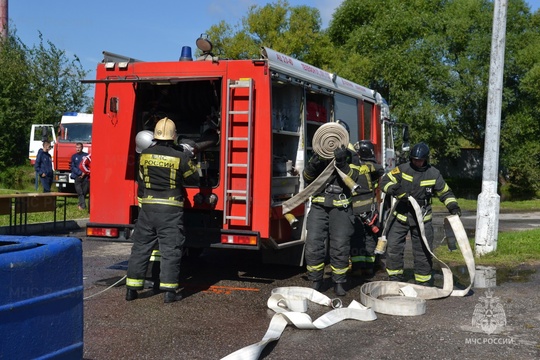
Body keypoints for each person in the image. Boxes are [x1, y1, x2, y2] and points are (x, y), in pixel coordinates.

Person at [126, 118, 199, 303]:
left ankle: (132, 290)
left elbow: (141, 181)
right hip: (170, 210)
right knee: (170, 250)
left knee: (141, 248)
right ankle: (169, 292)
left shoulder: (144, 155)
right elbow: (193, 179)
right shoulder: (180, 156)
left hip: (148, 208)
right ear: (173, 136)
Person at [380, 142, 461, 286]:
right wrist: (395, 190)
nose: (417, 162)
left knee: (423, 252)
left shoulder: (433, 173)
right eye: (414, 159)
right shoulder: (402, 169)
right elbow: (385, 182)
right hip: (401, 216)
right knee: (393, 248)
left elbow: (445, 192)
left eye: (420, 160)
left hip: (422, 219)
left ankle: (423, 281)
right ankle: (395, 278)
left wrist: (453, 206)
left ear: (426, 159)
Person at [303, 120, 361, 296]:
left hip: (341, 209)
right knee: (313, 244)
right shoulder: (319, 153)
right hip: (319, 207)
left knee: (340, 245)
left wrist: (342, 162)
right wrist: (314, 162)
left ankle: (339, 282)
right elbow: (307, 178)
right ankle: (316, 280)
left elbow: (354, 178)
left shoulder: (352, 156)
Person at [350, 140, 385, 277]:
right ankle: (369, 268)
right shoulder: (373, 168)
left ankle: (357, 268)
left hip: (355, 211)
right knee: (370, 239)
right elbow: (380, 169)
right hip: (370, 212)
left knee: (357, 240)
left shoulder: (353, 167)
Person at [70, 143, 89, 210]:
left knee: (84, 192)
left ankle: (80, 204)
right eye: (77, 147)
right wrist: (80, 173)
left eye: (79, 147)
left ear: (82, 148)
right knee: (79, 191)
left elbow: (89, 165)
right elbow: (72, 167)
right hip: (77, 176)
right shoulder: (73, 156)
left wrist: (84, 172)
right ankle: (83, 206)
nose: (78, 149)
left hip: (85, 176)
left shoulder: (86, 156)